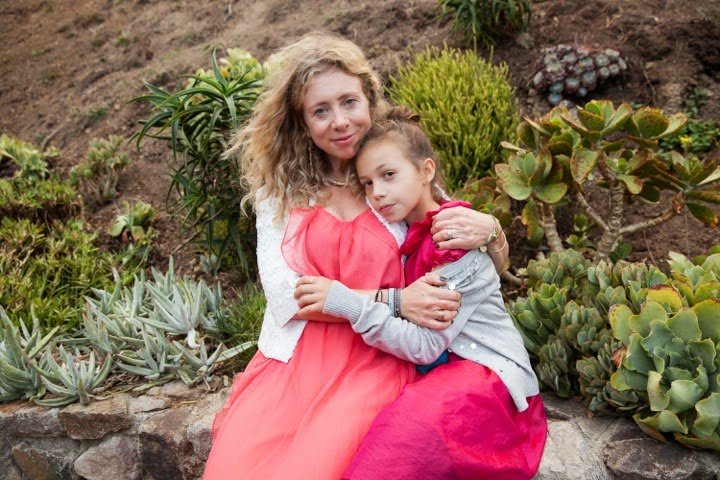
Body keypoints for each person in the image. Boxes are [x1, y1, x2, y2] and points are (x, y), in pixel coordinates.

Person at [202, 32, 508, 480]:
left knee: (313, 468)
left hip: (377, 354)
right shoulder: (280, 192)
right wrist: (396, 300)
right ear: (302, 123)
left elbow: (473, 269)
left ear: (369, 99)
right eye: (320, 111)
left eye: (349, 102)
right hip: (296, 356)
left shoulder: (392, 173)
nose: (340, 121)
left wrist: (493, 232)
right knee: (234, 468)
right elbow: (287, 297)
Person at [295, 107, 547, 479]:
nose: (378, 193)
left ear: (426, 171)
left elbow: (425, 344)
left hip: (488, 379)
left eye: (389, 175)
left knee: (401, 437)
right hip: (439, 369)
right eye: (367, 183)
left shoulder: (453, 239)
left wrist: (346, 301)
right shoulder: (407, 232)